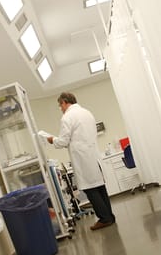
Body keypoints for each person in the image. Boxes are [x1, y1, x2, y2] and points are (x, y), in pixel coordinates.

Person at [47, 92, 115, 230]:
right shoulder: (87, 113)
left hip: (83, 158)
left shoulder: (67, 117)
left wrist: (52, 140)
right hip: (93, 155)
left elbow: (63, 141)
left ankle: (104, 219)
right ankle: (110, 216)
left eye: (61, 105)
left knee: (90, 189)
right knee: (100, 187)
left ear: (65, 102)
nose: (61, 108)